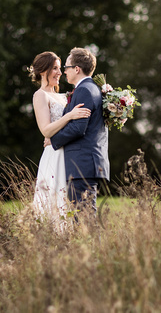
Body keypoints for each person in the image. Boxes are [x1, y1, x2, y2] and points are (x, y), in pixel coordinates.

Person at [28, 51, 90, 224]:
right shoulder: (40, 95)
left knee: (70, 203)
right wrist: (69, 116)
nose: (60, 72)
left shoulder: (64, 96)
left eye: (59, 68)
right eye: (54, 68)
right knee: (54, 202)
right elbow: (46, 131)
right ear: (42, 71)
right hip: (54, 156)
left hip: (69, 154)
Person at [49, 47, 110, 221]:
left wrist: (53, 139)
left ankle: (91, 249)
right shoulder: (91, 88)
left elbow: (78, 128)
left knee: (84, 220)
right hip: (86, 163)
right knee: (83, 218)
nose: (64, 72)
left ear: (77, 69)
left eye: (66, 67)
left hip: (82, 163)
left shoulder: (84, 90)